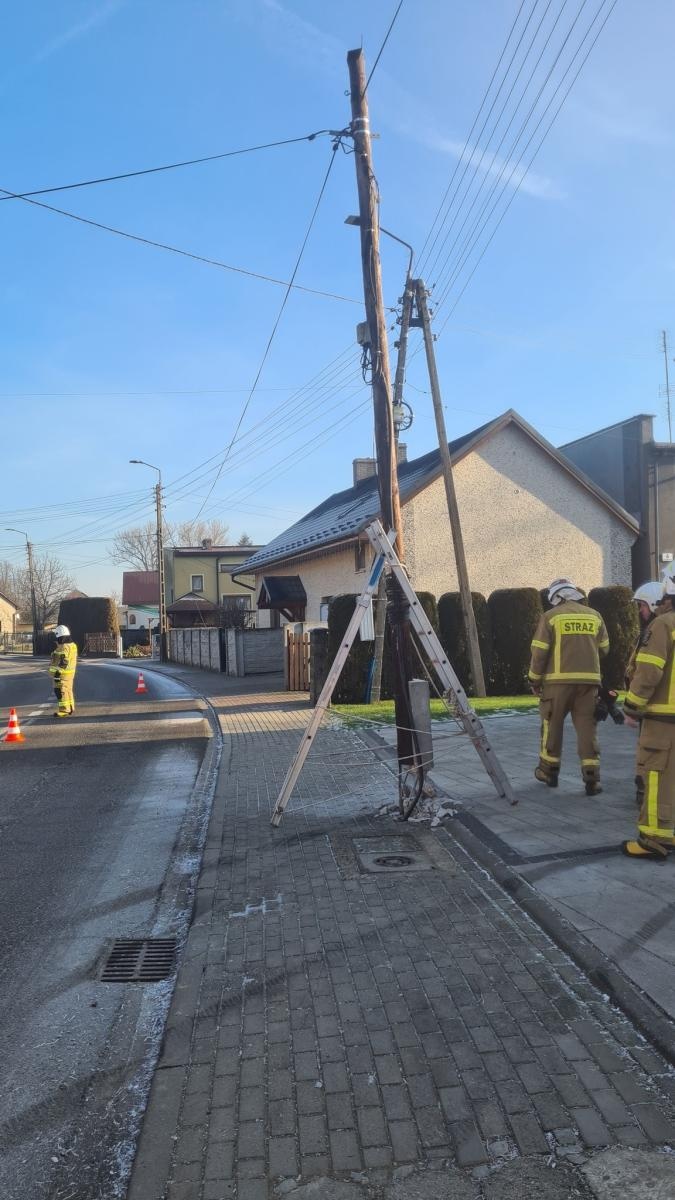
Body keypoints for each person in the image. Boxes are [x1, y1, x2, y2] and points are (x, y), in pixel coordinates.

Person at [529, 578, 609, 795]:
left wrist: (534, 680)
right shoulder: (595, 616)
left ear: (556, 597)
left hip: (557, 684)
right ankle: (592, 778)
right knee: (587, 729)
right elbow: (605, 648)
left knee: (551, 725)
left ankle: (549, 771)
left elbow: (539, 653)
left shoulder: (550, 617)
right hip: (589, 683)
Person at [621, 566, 675, 861]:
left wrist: (632, 707)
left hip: (664, 719)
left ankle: (653, 840)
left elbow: (650, 671)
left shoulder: (664, 625)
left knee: (656, 777)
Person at [625, 582, 664, 690]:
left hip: (654, 700)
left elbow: (649, 672)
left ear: (654, 604)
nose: (640, 610)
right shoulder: (649, 631)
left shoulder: (657, 632)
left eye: (643, 605)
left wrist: (633, 701)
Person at [49, 624, 78, 717]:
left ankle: (64, 710)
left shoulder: (65, 646)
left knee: (61, 691)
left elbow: (64, 661)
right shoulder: (72, 645)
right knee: (68, 690)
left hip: (62, 674)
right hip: (68, 674)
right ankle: (70, 707)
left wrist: (58, 673)